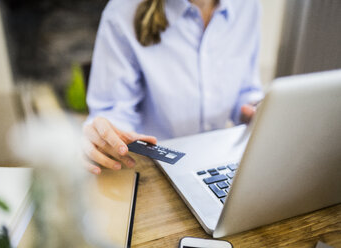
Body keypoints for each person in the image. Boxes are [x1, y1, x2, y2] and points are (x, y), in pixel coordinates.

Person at [83, 0, 263, 175]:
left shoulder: (248, 6)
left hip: (220, 163)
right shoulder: (123, 11)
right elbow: (115, 111)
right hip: (153, 169)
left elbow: (245, 89)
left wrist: (254, 110)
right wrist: (106, 136)